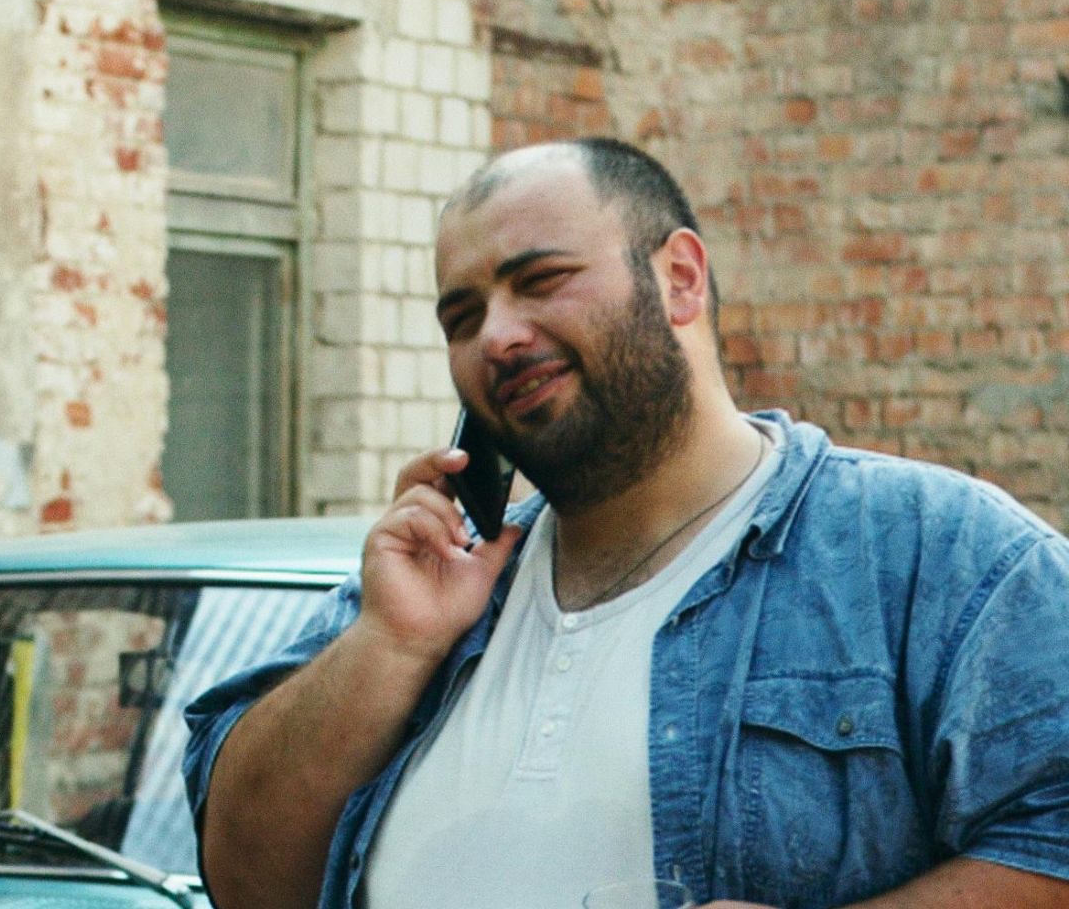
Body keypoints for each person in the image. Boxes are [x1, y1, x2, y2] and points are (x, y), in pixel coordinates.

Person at [182, 138, 1069, 909]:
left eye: (541, 280)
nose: (496, 335)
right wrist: (393, 644)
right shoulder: (424, 595)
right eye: (462, 316)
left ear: (679, 278)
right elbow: (246, 880)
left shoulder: (935, 556)